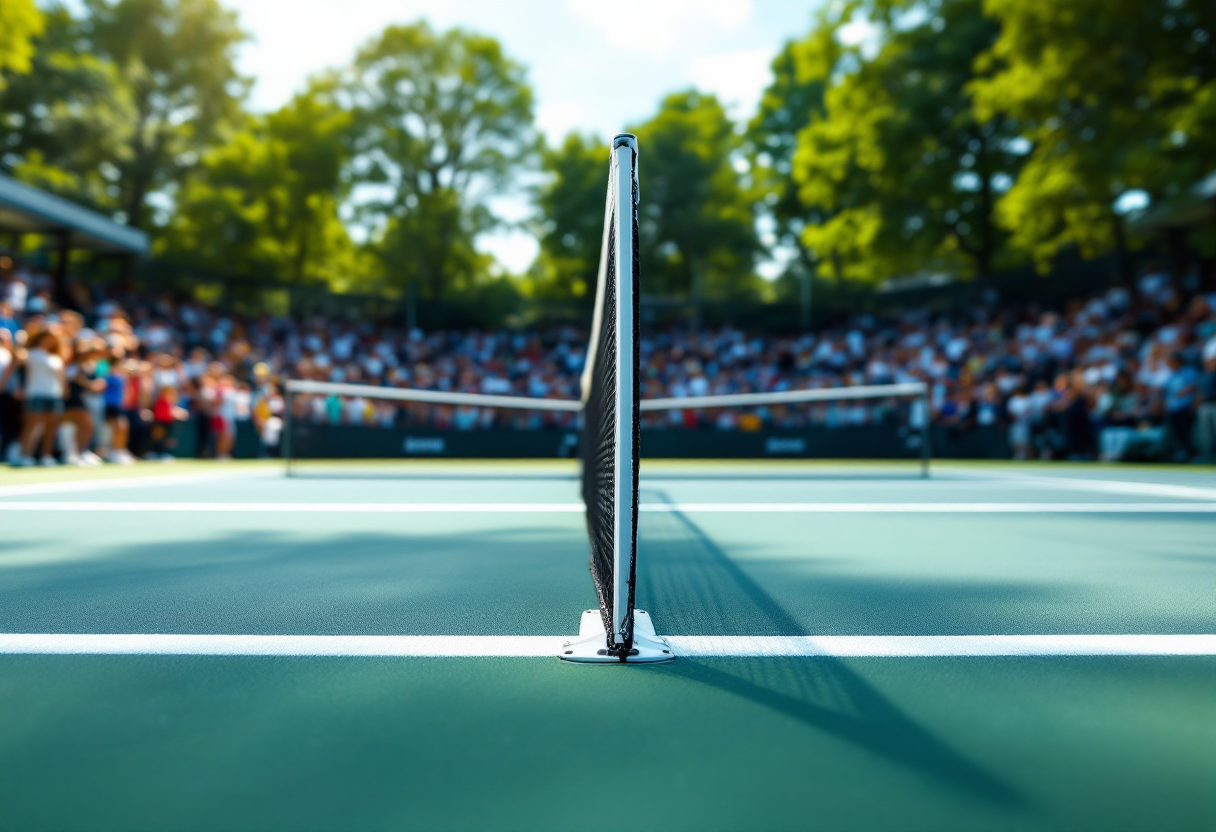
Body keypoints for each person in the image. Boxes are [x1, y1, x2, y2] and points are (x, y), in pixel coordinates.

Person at [0, 329, 65, 466]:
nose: (50, 341)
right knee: (32, 426)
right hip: (35, 393)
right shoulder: (28, 354)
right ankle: (25, 455)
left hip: (54, 394)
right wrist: (9, 386)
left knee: (51, 427)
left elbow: (61, 379)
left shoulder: (56, 357)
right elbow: (13, 367)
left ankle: (46, 456)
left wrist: (63, 391)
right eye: (47, 338)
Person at [61, 336, 106, 465]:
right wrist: (89, 385)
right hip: (71, 399)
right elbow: (74, 380)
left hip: (79, 399)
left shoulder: (88, 365)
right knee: (77, 425)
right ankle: (72, 454)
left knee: (81, 426)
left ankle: (78, 453)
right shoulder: (73, 364)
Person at [1162, 352, 1198, 461]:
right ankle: (1181, 452)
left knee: (1186, 431)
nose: (1170, 364)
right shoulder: (1170, 375)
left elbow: (1193, 385)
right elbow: (1167, 391)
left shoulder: (1189, 371)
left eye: (1172, 362)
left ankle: (1191, 453)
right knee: (1176, 432)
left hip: (1185, 406)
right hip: (1173, 408)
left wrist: (1181, 393)